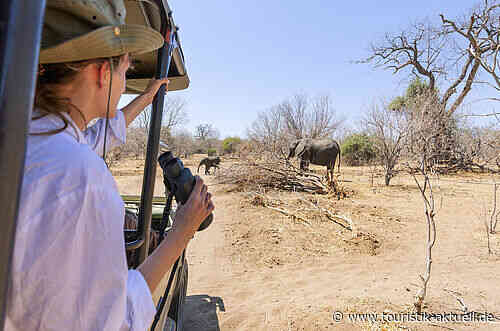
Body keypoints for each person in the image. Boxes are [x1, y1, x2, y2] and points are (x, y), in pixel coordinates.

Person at [6, 1, 214, 330]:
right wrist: (181, 233)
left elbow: (97, 135)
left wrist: (146, 98)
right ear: (103, 73)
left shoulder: (24, 140)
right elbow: (116, 320)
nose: (123, 80)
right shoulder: (80, 175)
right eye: (123, 70)